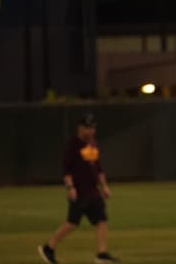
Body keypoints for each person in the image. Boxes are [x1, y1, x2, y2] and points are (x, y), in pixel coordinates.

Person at [38, 113, 119, 264]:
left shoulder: (93, 144)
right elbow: (66, 169)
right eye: (88, 128)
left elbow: (98, 168)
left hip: (93, 191)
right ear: (80, 128)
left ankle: (101, 254)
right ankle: (48, 248)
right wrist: (70, 188)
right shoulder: (72, 145)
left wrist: (105, 187)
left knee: (102, 220)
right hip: (79, 191)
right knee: (72, 223)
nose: (91, 131)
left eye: (93, 128)